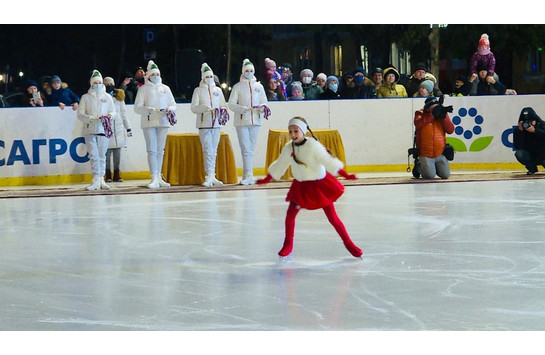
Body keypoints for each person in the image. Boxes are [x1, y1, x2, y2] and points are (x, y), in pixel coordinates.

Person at [256, 116, 363, 259]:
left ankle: (349, 244)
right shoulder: (289, 147)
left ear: (303, 131)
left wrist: (346, 175)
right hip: (301, 186)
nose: (293, 135)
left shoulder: (313, 146)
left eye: (296, 131)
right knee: (290, 215)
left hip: (319, 186)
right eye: (290, 132)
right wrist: (267, 179)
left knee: (333, 218)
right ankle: (288, 244)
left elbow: (327, 160)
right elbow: (280, 164)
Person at [134, 60, 177, 189]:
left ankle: (159, 176)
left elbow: (173, 104)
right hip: (149, 122)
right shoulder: (143, 89)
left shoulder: (165, 89)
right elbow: (137, 107)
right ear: (149, 76)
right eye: (153, 74)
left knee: (160, 150)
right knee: (152, 150)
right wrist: (147, 109)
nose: (156, 76)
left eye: (157, 74)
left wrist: (170, 109)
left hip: (163, 121)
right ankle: (154, 176)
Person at [227, 58, 270, 185]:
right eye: (247, 70)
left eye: (251, 70)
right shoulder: (237, 87)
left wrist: (262, 108)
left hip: (255, 120)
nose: (249, 72)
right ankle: (248, 174)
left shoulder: (259, 86)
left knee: (251, 148)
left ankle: (248, 174)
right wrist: (242, 109)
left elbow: (264, 101)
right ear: (243, 71)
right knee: (245, 148)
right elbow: (231, 104)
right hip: (241, 121)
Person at [190, 63, 230, 187]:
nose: (209, 78)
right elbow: (194, 107)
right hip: (204, 124)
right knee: (207, 149)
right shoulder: (198, 91)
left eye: (211, 76)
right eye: (207, 77)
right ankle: (208, 175)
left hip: (216, 124)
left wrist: (222, 111)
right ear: (203, 78)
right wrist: (203, 108)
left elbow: (223, 104)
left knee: (214, 150)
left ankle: (213, 175)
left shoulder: (217, 91)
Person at [77, 70, 116, 191]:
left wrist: (109, 116)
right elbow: (80, 114)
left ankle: (101, 178)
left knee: (101, 155)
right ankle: (95, 178)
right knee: (93, 155)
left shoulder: (107, 97)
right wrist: (90, 118)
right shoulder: (85, 97)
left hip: (103, 129)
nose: (98, 84)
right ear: (91, 83)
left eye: (99, 82)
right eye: (95, 82)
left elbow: (114, 112)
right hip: (90, 129)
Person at [413, 96, 455, 179]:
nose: (436, 108)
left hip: (440, 151)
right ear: (428, 108)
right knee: (429, 176)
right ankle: (418, 167)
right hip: (425, 152)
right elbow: (418, 124)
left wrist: (444, 117)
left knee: (445, 175)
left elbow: (450, 130)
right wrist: (432, 116)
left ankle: (434, 167)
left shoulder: (442, 114)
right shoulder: (420, 113)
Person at [104, 76, 132, 182]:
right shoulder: (104, 98)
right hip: (108, 128)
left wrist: (128, 128)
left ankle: (117, 173)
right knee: (107, 154)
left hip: (119, 128)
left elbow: (124, 114)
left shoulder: (119, 98)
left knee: (117, 153)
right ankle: (107, 174)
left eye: (111, 84)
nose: (110, 86)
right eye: (107, 85)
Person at [513, 107, 545, 175]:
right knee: (519, 154)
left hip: (542, 153)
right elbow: (518, 146)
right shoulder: (519, 130)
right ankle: (532, 168)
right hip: (530, 154)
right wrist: (520, 132)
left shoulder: (542, 125)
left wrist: (535, 131)